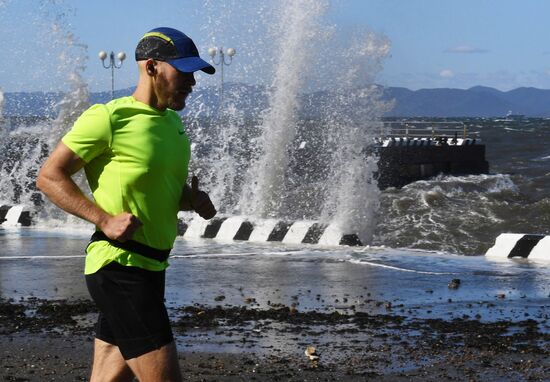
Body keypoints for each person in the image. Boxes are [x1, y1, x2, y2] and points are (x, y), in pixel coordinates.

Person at [36, 27, 217, 381]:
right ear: (152, 67)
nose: (192, 82)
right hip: (119, 267)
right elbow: (49, 177)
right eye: (183, 72)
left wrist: (190, 199)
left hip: (152, 269)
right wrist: (103, 219)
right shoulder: (108, 118)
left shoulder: (174, 125)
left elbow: (154, 189)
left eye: (194, 74)